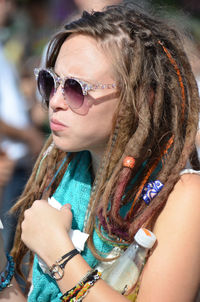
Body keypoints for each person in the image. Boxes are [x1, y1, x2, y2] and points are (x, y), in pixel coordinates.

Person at [0, 2, 200, 301]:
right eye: (49, 81)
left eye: (75, 88)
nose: (54, 100)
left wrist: (58, 253)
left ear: (140, 98)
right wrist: (4, 277)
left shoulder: (183, 195)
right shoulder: (64, 173)